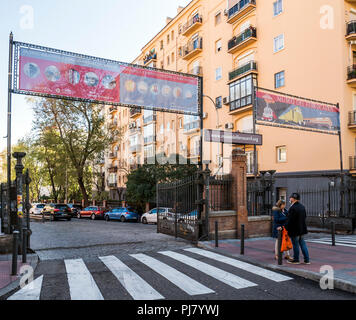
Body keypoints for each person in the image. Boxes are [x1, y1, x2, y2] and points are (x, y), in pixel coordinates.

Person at [285, 193, 310, 265]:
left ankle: (296, 259)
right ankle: (307, 260)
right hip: (302, 229)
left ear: (293, 199)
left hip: (294, 230)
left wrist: (286, 228)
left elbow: (290, 220)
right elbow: (305, 217)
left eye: (290, 197)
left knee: (295, 244)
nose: (289, 199)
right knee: (303, 244)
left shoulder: (292, 208)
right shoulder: (302, 206)